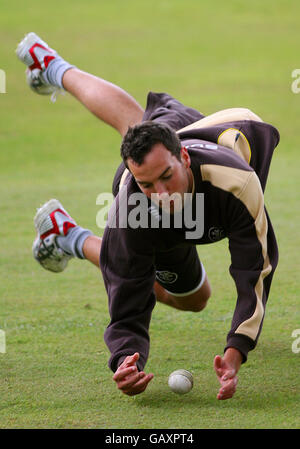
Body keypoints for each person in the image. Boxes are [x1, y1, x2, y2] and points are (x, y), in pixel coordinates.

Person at [16, 32, 280, 400]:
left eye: (166, 178)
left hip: (218, 135)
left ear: (183, 160)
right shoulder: (135, 207)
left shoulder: (235, 184)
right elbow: (127, 282)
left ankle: (52, 66)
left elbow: (256, 267)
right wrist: (126, 357)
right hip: (161, 183)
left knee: (138, 125)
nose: (162, 194)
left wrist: (237, 349)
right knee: (193, 298)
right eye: (147, 184)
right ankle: (68, 235)